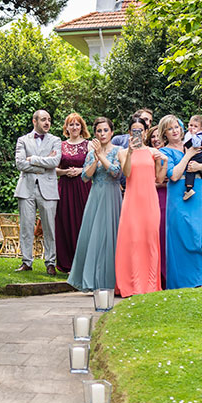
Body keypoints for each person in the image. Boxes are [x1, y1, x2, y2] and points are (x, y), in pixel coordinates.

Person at [157, 114, 202, 289]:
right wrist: (188, 156)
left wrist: (199, 166)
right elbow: (174, 175)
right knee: (181, 237)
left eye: (176, 127)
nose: (174, 131)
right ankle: (184, 282)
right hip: (178, 196)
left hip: (198, 193)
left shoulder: (193, 143)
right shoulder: (164, 152)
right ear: (165, 133)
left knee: (199, 235)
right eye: (170, 129)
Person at [67, 117, 123, 292]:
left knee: (110, 236)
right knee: (94, 236)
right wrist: (96, 158)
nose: (102, 134)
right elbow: (85, 176)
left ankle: (111, 280)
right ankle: (91, 280)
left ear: (112, 132)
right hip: (95, 196)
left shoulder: (118, 150)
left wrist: (101, 156)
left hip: (112, 196)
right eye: (99, 131)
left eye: (105, 130)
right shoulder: (91, 154)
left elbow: (116, 173)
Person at [114, 115, 166, 296]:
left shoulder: (152, 152)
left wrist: (163, 161)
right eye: (134, 130)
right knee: (133, 241)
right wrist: (129, 152)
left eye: (141, 131)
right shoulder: (121, 152)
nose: (138, 133)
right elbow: (127, 173)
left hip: (150, 201)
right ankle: (132, 284)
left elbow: (159, 178)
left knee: (150, 241)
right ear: (129, 133)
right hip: (132, 201)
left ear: (145, 133)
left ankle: (150, 284)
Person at [13, 109, 61, 275]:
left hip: (48, 189)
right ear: (35, 121)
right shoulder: (22, 140)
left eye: (49, 119)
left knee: (49, 227)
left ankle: (50, 262)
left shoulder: (56, 140)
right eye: (43, 119)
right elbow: (20, 164)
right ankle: (26, 261)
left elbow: (55, 161)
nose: (47, 123)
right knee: (26, 227)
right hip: (26, 188)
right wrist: (44, 165)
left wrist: (32, 159)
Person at [55, 113, 92, 275]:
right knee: (65, 222)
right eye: (71, 124)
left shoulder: (89, 145)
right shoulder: (60, 145)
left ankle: (84, 262)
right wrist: (64, 172)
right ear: (66, 128)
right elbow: (52, 168)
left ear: (82, 127)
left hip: (83, 187)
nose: (75, 127)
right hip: (65, 188)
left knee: (83, 222)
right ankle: (67, 263)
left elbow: (95, 167)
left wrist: (80, 170)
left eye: (77, 124)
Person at [145, 124, 168, 286]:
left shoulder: (168, 154)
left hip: (166, 197)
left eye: (158, 135)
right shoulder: (146, 155)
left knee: (164, 234)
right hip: (148, 197)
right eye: (152, 136)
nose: (155, 139)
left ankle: (166, 275)